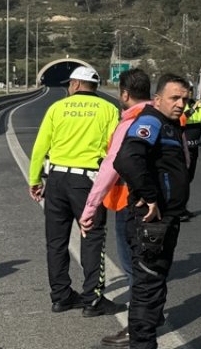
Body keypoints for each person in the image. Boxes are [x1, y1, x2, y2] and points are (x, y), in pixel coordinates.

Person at [27, 65, 124, 317]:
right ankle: (92, 299)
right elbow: (114, 148)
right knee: (91, 238)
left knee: (56, 240)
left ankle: (60, 297)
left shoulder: (57, 108)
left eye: (69, 83)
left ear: (77, 84)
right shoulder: (108, 109)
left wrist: (35, 179)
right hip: (87, 182)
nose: (69, 87)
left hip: (57, 180)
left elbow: (40, 147)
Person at [106, 73, 194, 349]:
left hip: (167, 220)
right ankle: (142, 343)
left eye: (185, 99)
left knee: (155, 285)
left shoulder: (170, 125)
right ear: (158, 99)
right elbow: (126, 158)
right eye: (174, 98)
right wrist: (150, 196)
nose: (180, 104)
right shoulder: (150, 121)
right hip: (151, 221)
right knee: (146, 288)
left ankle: (144, 338)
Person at [81, 69, 152, 292]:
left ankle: (141, 321)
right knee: (152, 263)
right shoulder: (162, 119)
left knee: (133, 264)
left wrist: (90, 207)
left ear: (124, 94)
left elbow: (111, 166)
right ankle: (151, 313)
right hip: (159, 201)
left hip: (129, 202)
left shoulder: (129, 124)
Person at [180, 90, 201, 220]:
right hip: (183, 147)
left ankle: (182, 208)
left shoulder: (194, 104)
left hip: (194, 146)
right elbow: (182, 118)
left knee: (189, 179)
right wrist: (194, 108)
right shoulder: (181, 105)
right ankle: (179, 209)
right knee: (183, 179)